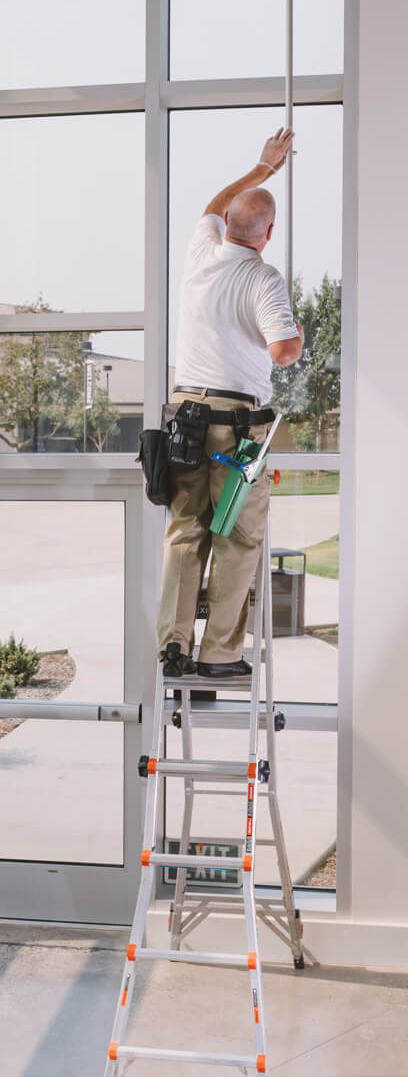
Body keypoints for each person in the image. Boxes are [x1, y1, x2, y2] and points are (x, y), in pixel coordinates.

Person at [157, 127, 304, 681]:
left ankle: (172, 648)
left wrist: (262, 169)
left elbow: (212, 207)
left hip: (184, 422)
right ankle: (218, 654)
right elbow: (284, 351)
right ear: (267, 233)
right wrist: (300, 335)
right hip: (235, 430)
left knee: (185, 531)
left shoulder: (200, 254)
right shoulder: (263, 278)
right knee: (236, 536)